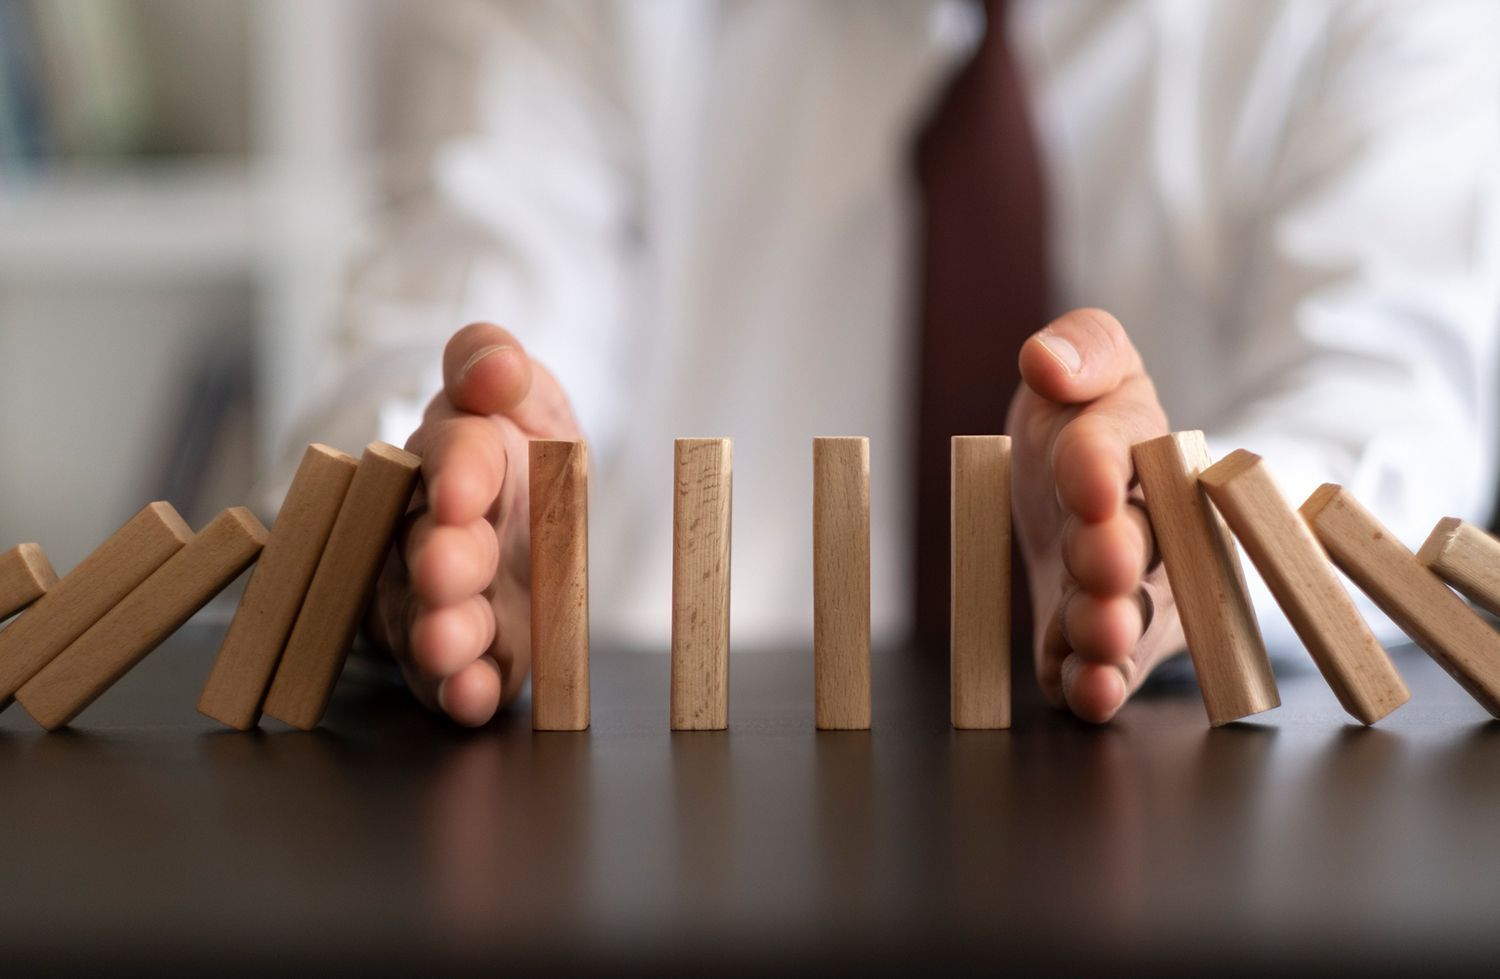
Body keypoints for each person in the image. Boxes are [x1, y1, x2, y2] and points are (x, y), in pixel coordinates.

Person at [285, 0, 1500, 727]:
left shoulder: (1375, 19)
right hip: (642, 837)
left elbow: (1388, 412)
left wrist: (1183, 533)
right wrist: (440, 497)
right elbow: (437, 320)